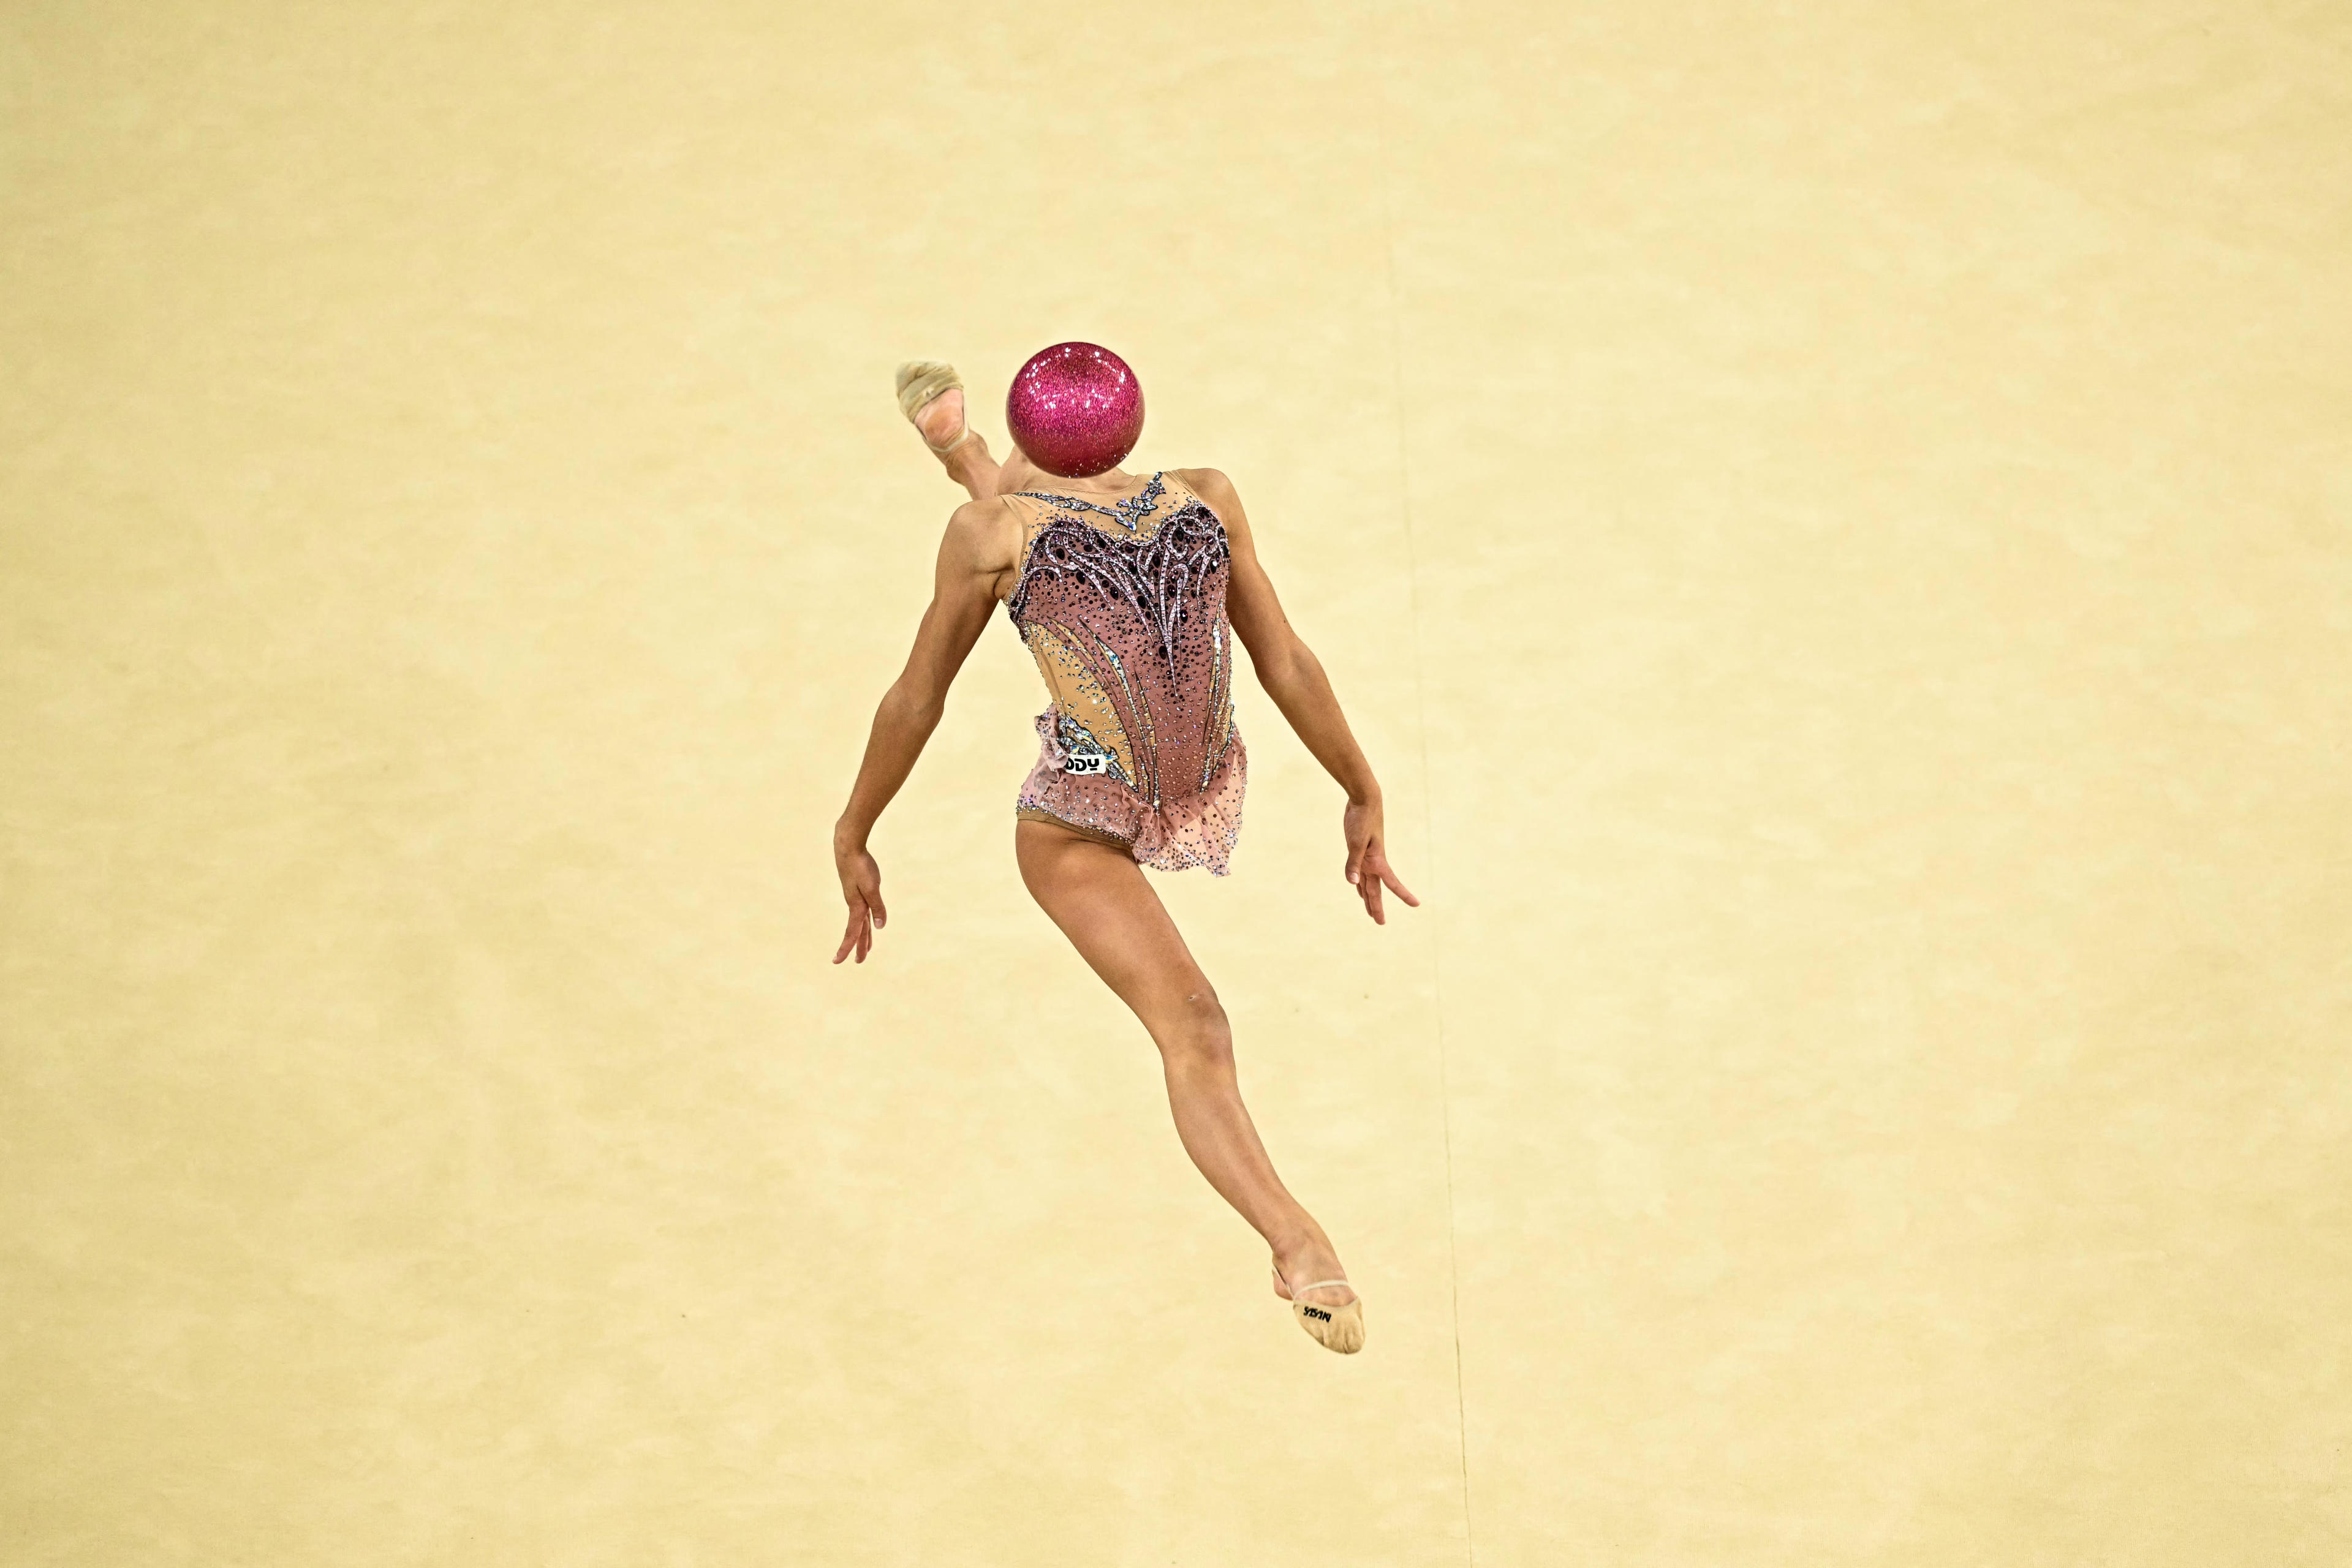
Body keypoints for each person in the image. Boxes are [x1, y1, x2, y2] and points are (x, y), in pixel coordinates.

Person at [830, 349, 1417, 1354]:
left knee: (1010, 513)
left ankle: (957, 443)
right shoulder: (991, 537)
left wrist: (1361, 785)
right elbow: (916, 696)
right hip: (1079, 823)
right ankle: (1297, 1239)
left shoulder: (1206, 501)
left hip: (1183, 768)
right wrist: (856, 824)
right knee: (1199, 1024)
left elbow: (1284, 655)